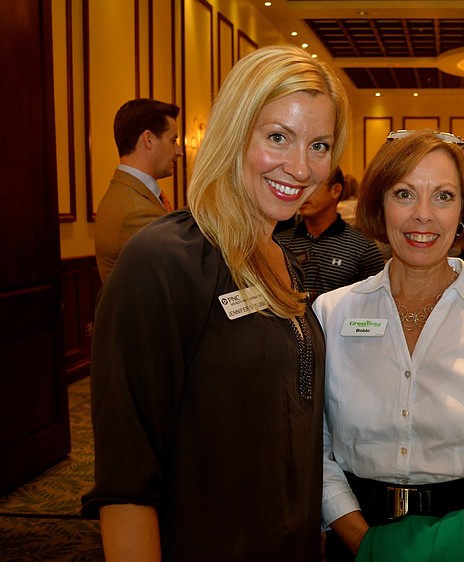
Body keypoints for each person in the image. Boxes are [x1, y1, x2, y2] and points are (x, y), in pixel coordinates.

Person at [81, 45, 350, 561]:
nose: (300, 167)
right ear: (232, 133)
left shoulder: (283, 260)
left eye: (319, 145)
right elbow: (127, 484)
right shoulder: (163, 260)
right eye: (277, 137)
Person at [313, 129, 464, 562]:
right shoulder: (332, 312)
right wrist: (368, 546)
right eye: (404, 194)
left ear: (463, 210)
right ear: (380, 203)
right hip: (358, 539)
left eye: (443, 196)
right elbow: (317, 451)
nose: (423, 216)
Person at [94, 98, 182, 282]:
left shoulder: (128, 193)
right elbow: (178, 271)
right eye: (173, 140)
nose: (179, 151)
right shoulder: (135, 211)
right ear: (149, 140)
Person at [274, 167, 385, 300]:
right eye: (300, 188)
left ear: (335, 190)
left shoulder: (363, 249)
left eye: (312, 187)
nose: (303, 194)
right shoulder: (279, 244)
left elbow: (375, 304)